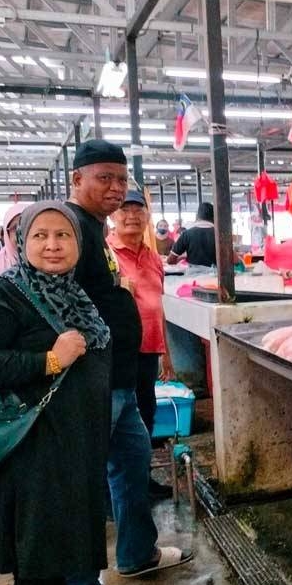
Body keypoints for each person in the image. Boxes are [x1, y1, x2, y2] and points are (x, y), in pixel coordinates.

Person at [0, 201, 112, 585]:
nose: (52, 245)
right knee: (39, 577)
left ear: (79, 242)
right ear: (21, 242)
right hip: (32, 462)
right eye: (40, 235)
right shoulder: (7, 292)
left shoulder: (75, 296)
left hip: (69, 455)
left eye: (63, 235)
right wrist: (48, 360)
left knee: (53, 573)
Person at [65, 139, 192, 585]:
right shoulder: (70, 228)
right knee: (82, 485)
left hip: (119, 378)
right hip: (90, 382)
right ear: (76, 180)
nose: (116, 189)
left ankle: (138, 554)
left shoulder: (95, 232)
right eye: (105, 178)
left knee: (133, 467)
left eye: (121, 179)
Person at [109, 190, 176, 497]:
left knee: (145, 417)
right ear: (113, 215)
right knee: (119, 423)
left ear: (147, 217)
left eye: (139, 211)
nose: (132, 216)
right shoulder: (105, 254)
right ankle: (117, 491)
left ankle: (143, 482)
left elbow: (158, 306)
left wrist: (167, 353)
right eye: (125, 210)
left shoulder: (152, 257)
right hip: (119, 353)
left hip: (148, 351)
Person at [167, 202, 216, 267]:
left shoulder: (187, 234)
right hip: (216, 275)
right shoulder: (221, 235)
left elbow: (170, 260)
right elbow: (233, 258)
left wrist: (184, 256)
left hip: (193, 275)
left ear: (197, 216)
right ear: (214, 217)